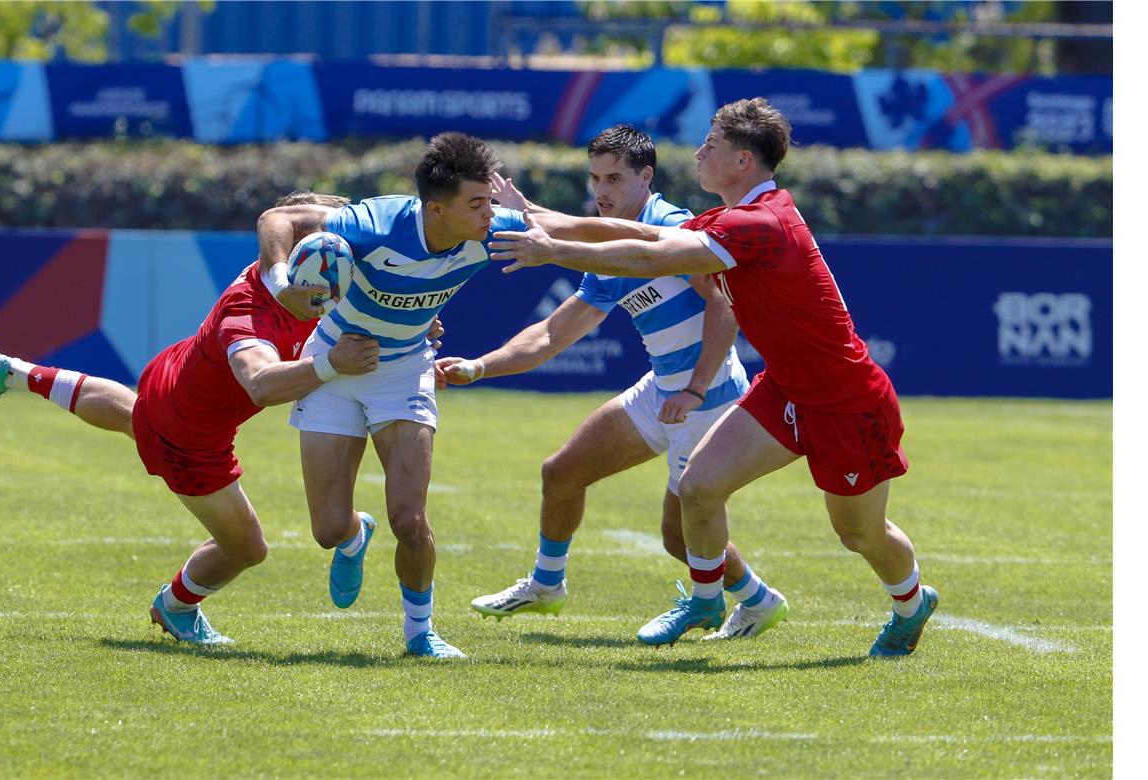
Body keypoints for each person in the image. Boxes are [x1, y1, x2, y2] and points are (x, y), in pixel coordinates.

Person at [487, 98, 938, 658]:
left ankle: (911, 601)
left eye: (712, 146)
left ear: (743, 161)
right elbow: (643, 238)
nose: (699, 153)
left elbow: (653, 258)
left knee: (858, 533)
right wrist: (536, 214)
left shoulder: (759, 222)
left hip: (846, 402)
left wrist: (553, 248)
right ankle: (706, 600)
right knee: (698, 490)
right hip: (786, 388)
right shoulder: (737, 217)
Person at [0, 191, 397, 648]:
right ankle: (175, 606)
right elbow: (262, 384)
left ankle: (16, 373)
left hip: (172, 380)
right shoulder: (248, 319)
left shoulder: (300, 278)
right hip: (189, 439)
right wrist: (333, 363)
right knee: (247, 548)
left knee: (136, 414)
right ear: (300, 264)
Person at [436, 125, 789, 645]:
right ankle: (546, 585)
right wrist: (480, 366)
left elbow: (723, 305)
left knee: (678, 537)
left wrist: (692, 390)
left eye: (615, 178)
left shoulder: (671, 226)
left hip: (705, 398)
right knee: (561, 473)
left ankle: (756, 601)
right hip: (662, 390)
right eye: (595, 177)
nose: (602, 191)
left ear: (647, 177)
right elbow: (555, 332)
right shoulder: (606, 245)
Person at [255, 132, 531, 659]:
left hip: (403, 370)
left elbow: (578, 231)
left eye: (490, 201)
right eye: (476, 204)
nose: (489, 214)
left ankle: (419, 631)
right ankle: (355, 535)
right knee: (326, 529)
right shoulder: (374, 223)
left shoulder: (496, 228)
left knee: (409, 518)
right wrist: (282, 281)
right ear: (435, 209)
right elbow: (277, 219)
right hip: (331, 363)